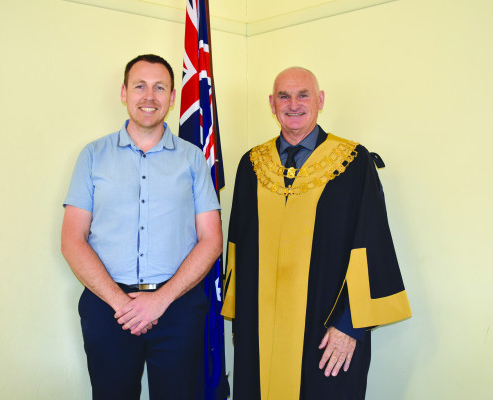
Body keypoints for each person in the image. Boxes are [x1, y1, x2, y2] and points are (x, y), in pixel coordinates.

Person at [221, 67, 412, 400]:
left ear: (320, 100)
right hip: (261, 329)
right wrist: (242, 325)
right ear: (272, 103)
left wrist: (350, 326)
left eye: (303, 95)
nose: (293, 104)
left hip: (326, 331)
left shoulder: (352, 162)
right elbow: (238, 246)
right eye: (284, 96)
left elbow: (372, 243)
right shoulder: (252, 165)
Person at [61, 54, 222, 399]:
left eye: (159, 87)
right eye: (140, 86)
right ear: (124, 92)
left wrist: (160, 300)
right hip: (107, 308)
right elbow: (72, 240)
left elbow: (211, 240)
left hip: (178, 307)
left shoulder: (193, 159)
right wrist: (122, 304)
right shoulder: (92, 156)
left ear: (172, 97)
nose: (149, 96)